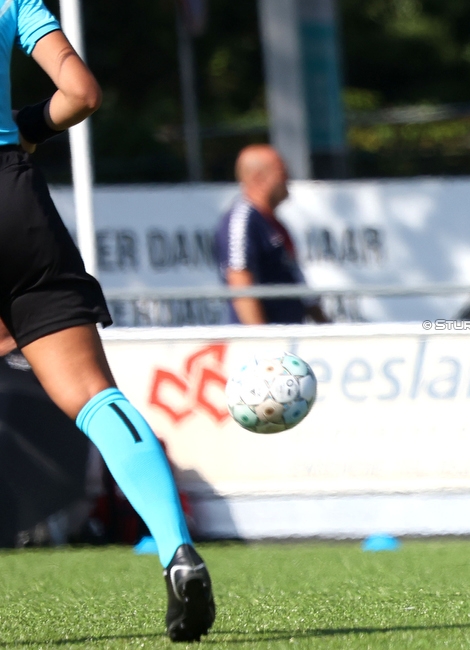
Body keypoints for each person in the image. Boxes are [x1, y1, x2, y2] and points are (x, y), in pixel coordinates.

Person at [1, 1, 214, 641]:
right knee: (95, 396)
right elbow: (81, 93)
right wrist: (25, 125)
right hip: (15, 198)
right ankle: (177, 550)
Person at [214, 144, 328, 325]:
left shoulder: (272, 222)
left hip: (286, 338)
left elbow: (295, 281)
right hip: (267, 346)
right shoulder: (243, 220)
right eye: (282, 172)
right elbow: (239, 280)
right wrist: (262, 340)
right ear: (259, 178)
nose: (288, 179)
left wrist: (325, 327)